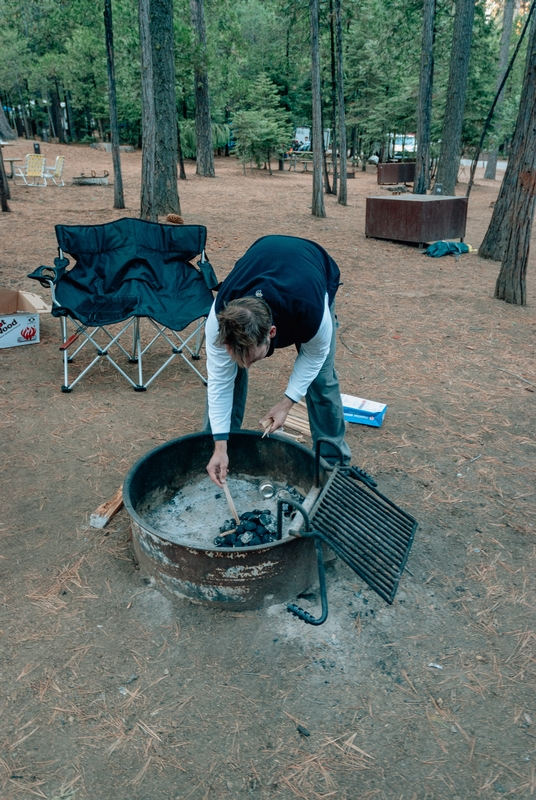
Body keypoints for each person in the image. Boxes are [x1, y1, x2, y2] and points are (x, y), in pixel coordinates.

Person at [204, 235, 351, 487]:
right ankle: (221, 453)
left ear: (272, 333)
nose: (247, 365)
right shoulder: (219, 321)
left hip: (310, 271)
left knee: (321, 380)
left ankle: (333, 463)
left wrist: (287, 403)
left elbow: (314, 356)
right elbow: (219, 383)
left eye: (251, 357)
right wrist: (219, 442)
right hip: (263, 255)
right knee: (230, 374)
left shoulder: (312, 313)